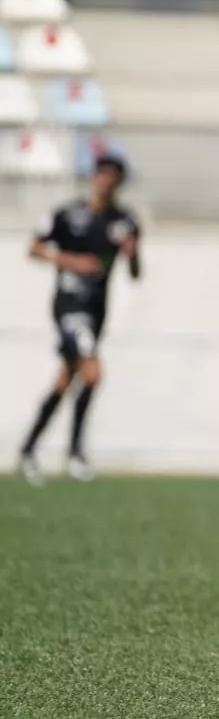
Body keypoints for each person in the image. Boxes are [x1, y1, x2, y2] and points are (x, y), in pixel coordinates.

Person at [17, 156, 142, 486]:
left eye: (114, 177)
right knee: (93, 373)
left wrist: (133, 255)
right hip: (69, 305)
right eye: (102, 174)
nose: (106, 181)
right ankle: (75, 453)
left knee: (64, 381)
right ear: (94, 177)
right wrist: (71, 261)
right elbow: (33, 247)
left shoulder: (125, 221)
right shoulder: (67, 214)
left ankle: (28, 450)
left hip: (97, 310)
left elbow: (134, 273)